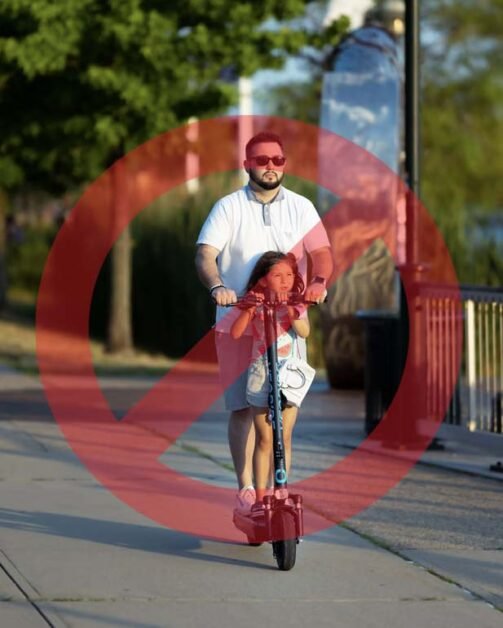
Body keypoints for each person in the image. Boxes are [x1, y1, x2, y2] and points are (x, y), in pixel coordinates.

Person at [195, 131, 332, 513]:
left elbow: (321, 253)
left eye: (277, 160)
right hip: (239, 321)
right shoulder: (228, 207)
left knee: (284, 416)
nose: (269, 167)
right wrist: (218, 286)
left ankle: (277, 491)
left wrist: (318, 283)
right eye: (261, 160)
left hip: (287, 324)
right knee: (243, 409)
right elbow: (206, 254)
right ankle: (246, 490)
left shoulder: (302, 207)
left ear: (284, 164)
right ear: (247, 164)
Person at [230, 251, 310, 507]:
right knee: (265, 438)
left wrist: (290, 309)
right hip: (261, 374)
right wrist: (250, 308)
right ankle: (262, 497)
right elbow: (236, 333)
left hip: (289, 376)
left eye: (289, 275)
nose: (285, 280)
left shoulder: (296, 304)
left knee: (284, 436)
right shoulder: (256, 302)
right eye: (277, 275)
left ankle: (281, 491)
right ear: (264, 280)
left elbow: (304, 331)